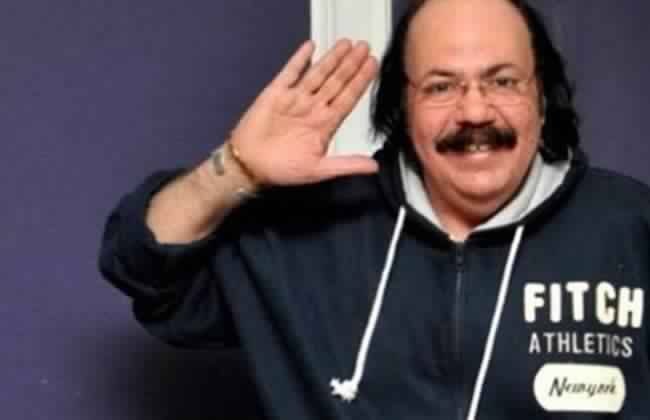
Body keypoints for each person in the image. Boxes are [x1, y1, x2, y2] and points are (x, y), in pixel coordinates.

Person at [100, 0, 649, 418]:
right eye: (440, 87)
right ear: (402, 106)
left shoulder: (629, 226)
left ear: (541, 97)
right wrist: (237, 171)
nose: (475, 111)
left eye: (502, 81)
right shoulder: (309, 231)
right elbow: (141, 266)